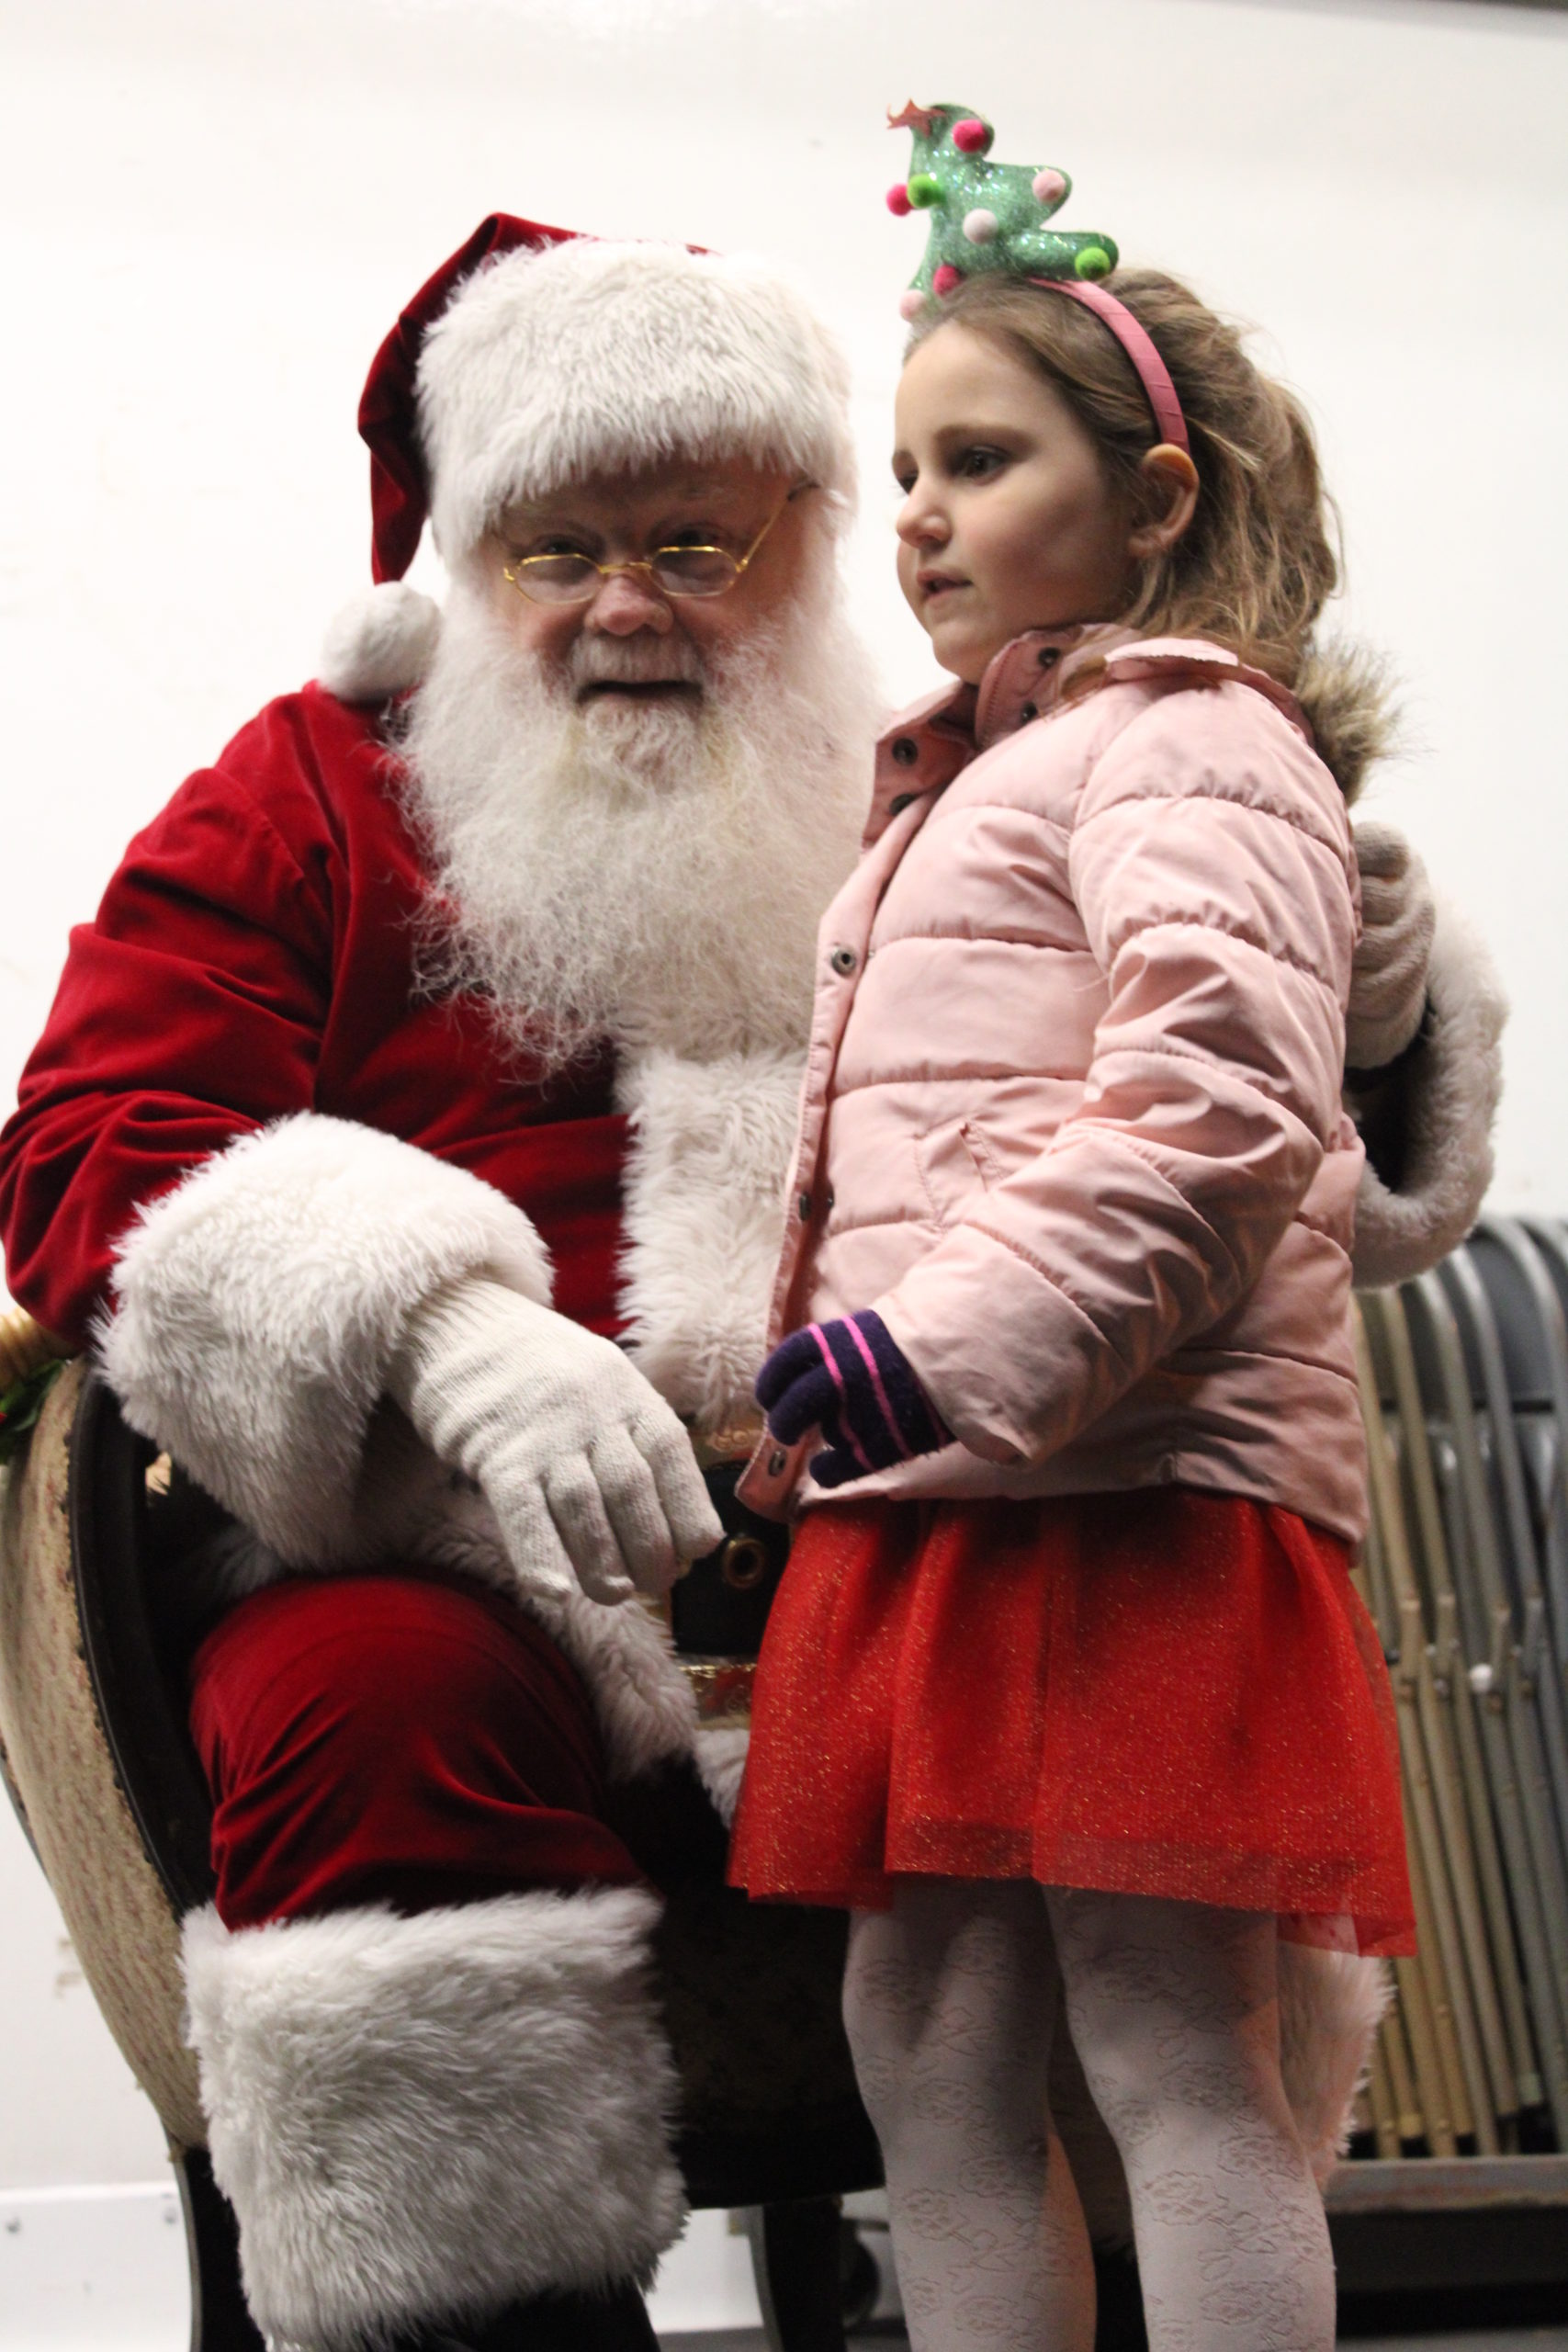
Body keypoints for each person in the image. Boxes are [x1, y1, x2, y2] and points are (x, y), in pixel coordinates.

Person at [0, 211, 1491, 2352]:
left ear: (804, 534)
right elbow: (89, 1149)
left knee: (1095, 2003)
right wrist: (442, 1330)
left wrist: (1379, 1007)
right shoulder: (312, 788)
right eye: (557, 544)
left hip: (924, 1513)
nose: (626, 601)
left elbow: (1217, 1139)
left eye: (696, 542)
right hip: (470, 1555)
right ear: (461, 559)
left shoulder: (965, 763)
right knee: (362, 1701)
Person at [728, 136, 1503, 2352]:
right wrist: (857, 1389)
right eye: (900, 468)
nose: (916, 513)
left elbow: (1219, 1105)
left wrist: (937, 1343)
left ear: (1153, 500)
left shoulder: (1187, 740)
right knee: (931, 2046)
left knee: (1174, 2051)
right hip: (961, 1489)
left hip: (1126, 1486)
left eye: (980, 458)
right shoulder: (968, 776)